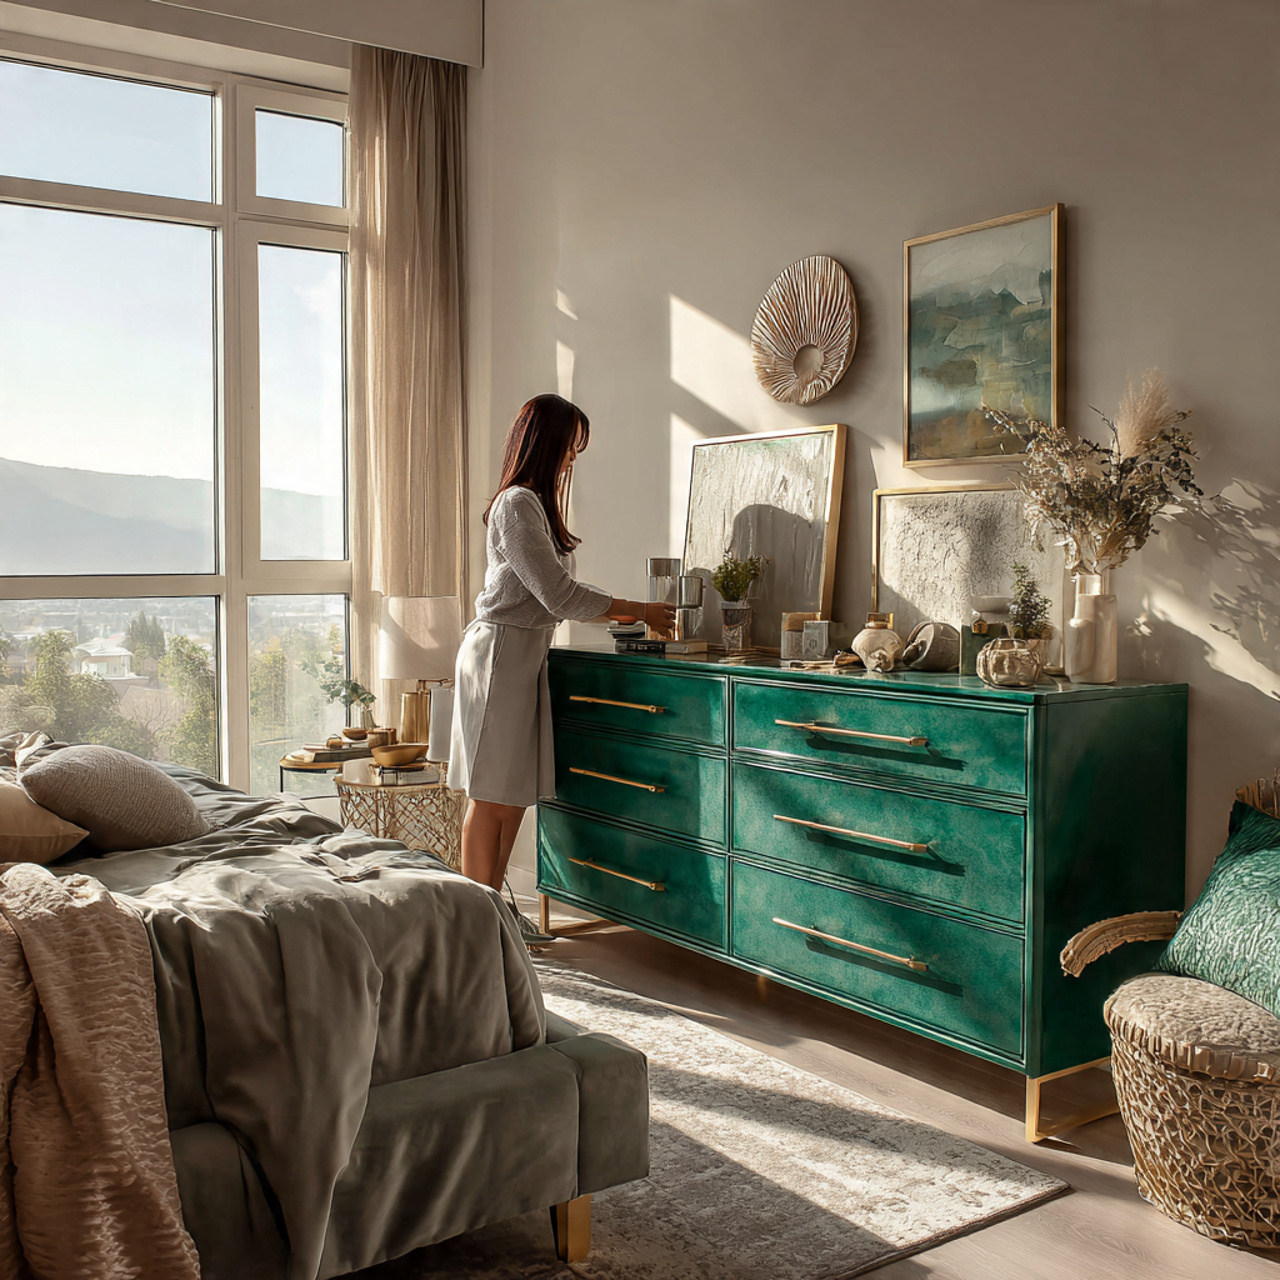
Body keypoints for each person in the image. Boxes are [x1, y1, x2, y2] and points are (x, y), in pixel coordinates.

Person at [449, 393, 676, 944]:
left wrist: (627, 618)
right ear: (546, 442)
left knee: (513, 796)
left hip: (525, 654)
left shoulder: (535, 506)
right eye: (570, 445)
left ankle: (496, 916)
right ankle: (475, 929)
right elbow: (557, 594)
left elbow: (560, 598)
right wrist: (640, 609)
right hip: (500, 653)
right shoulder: (516, 504)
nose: (573, 457)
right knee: (491, 796)